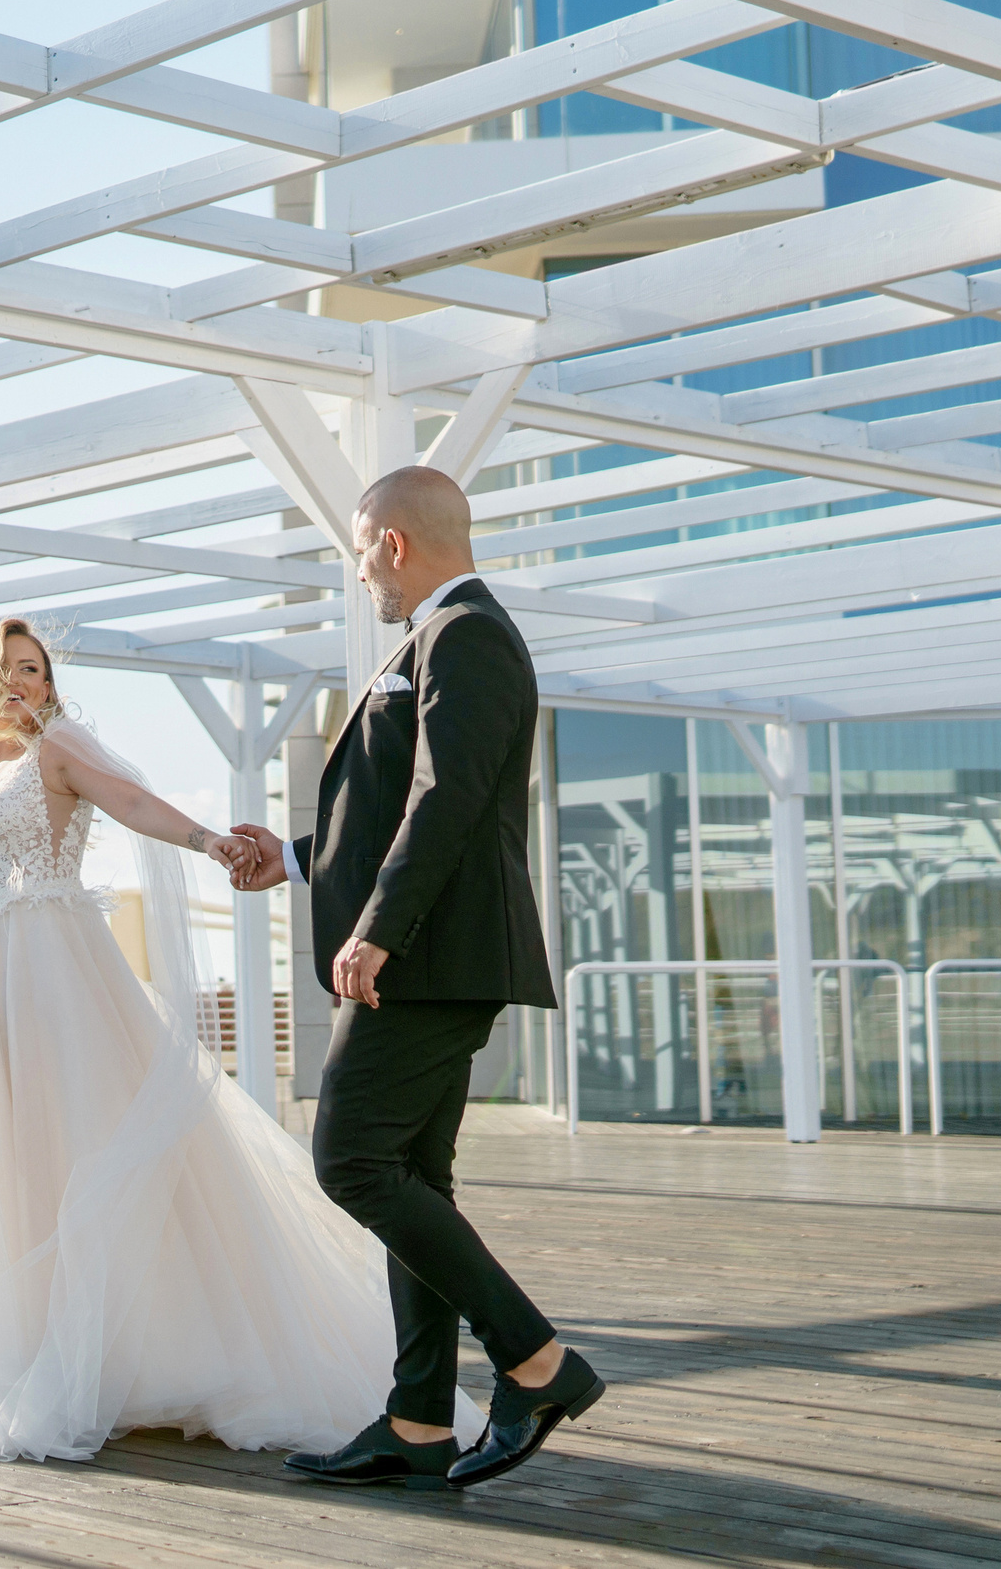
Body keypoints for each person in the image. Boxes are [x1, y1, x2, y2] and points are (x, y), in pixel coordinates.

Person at [0, 616, 485, 1466]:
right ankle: (4, 1347)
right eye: (15, 667)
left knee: (78, 1147)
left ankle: (122, 1356)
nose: (31, 684)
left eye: (40, 671)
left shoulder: (57, 751)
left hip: (59, 981)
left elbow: (126, 801)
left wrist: (208, 841)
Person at [229, 463, 601, 1491]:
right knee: (411, 1179)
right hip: (429, 954)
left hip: (429, 960)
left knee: (348, 1160)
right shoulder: (439, 637)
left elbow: (447, 800)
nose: (359, 575)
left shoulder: (464, 634)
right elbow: (398, 804)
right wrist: (298, 860)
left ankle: (536, 1363)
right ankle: (418, 1419)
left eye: (357, 552)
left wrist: (378, 933)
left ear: (392, 543)